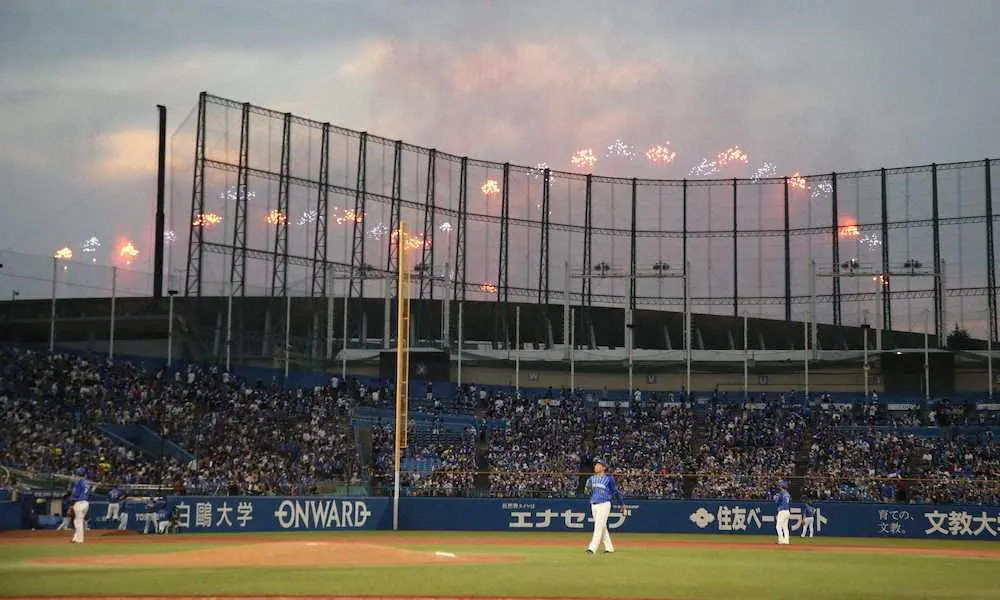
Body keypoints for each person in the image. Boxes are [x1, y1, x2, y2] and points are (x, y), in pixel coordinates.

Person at [584, 457, 624, 555]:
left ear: (603, 467)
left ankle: (592, 548)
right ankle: (609, 547)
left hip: (604, 503)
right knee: (602, 527)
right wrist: (587, 487)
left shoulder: (609, 479)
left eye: (598, 465)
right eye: (595, 465)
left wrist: (621, 504)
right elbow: (587, 492)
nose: (596, 466)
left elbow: (616, 492)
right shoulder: (591, 479)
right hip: (594, 504)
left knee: (598, 526)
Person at [69, 468, 90, 544]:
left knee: (79, 521)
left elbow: (76, 494)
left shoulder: (79, 482)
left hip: (80, 503)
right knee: (76, 521)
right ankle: (75, 538)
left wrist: (72, 498)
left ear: (78, 474)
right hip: (86, 503)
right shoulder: (87, 482)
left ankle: (80, 540)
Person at [775, 480, 791, 545]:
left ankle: (781, 540)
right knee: (785, 527)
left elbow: (777, 502)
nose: (778, 487)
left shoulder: (781, 493)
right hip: (787, 511)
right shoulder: (788, 494)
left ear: (781, 486)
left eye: (779, 485)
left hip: (782, 511)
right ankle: (786, 540)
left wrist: (776, 498)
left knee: (778, 526)